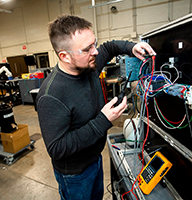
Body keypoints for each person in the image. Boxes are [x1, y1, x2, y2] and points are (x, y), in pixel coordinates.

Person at [36, 15, 156, 200]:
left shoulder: (88, 64)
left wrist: (131, 47)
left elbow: (109, 48)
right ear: (64, 56)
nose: (96, 52)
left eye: (94, 44)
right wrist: (103, 121)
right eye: (87, 49)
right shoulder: (51, 95)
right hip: (75, 175)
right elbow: (57, 148)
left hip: (95, 159)